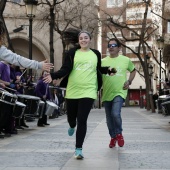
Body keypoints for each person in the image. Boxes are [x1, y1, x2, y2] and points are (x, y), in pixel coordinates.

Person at [43, 30, 115, 159]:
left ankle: (78, 149)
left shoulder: (95, 54)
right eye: (81, 38)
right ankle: (71, 125)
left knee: (82, 119)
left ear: (90, 39)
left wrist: (108, 70)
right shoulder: (72, 53)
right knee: (72, 119)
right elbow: (65, 68)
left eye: (85, 38)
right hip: (73, 90)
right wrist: (53, 76)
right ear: (78, 40)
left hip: (89, 90)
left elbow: (98, 68)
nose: (83, 40)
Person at [101, 38, 136, 148]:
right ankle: (113, 137)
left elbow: (133, 70)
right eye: (109, 45)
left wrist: (129, 81)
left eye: (114, 45)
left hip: (120, 92)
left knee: (115, 113)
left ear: (119, 48)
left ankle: (119, 134)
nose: (111, 47)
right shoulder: (103, 62)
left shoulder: (125, 60)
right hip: (106, 93)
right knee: (109, 119)